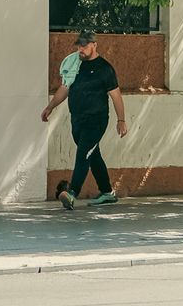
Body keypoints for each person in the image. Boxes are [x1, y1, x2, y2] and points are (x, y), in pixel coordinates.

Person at [41, 30, 129, 209]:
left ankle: (72, 193)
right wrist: (50, 107)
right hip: (77, 120)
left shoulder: (105, 68)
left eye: (85, 45)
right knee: (93, 155)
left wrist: (121, 120)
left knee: (83, 153)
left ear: (94, 45)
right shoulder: (75, 65)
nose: (81, 49)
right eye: (79, 45)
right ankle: (107, 192)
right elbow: (65, 88)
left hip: (96, 121)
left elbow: (116, 96)